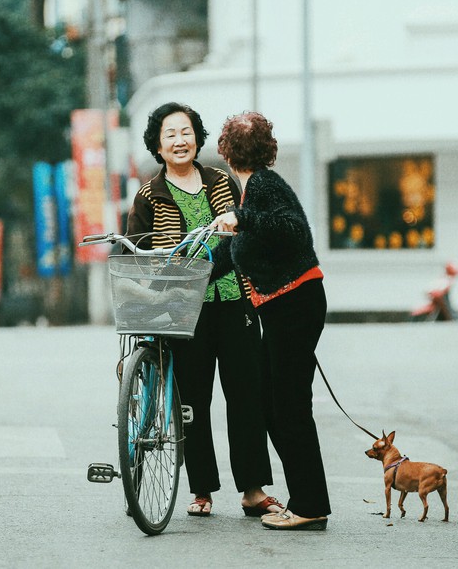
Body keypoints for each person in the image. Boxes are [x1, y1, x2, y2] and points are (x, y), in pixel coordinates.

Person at [125, 102, 282, 518]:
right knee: (192, 401)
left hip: (234, 299)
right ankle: (201, 490)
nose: (180, 140)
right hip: (181, 310)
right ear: (157, 146)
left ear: (198, 137)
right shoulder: (148, 194)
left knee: (247, 396)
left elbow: (244, 230)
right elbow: (137, 252)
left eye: (186, 131)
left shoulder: (222, 181)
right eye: (170, 135)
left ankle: (252, 489)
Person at [209, 111, 331, 531]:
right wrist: (187, 270)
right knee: (272, 402)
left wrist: (242, 220)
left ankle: (310, 504)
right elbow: (233, 253)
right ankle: (306, 498)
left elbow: (293, 229)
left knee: (289, 406)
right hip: (286, 307)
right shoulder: (249, 193)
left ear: (225, 151)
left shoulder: (262, 186)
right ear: (269, 147)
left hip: (295, 304)